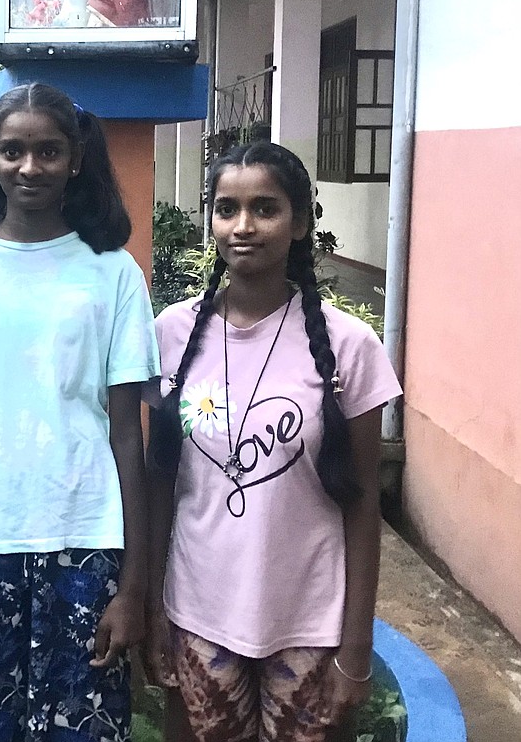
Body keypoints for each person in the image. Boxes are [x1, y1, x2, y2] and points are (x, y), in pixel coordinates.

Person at [0, 83, 159, 741]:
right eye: (13, 150)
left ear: (75, 159)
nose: (29, 167)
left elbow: (129, 434)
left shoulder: (112, 272)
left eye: (48, 150)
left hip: (85, 538)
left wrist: (133, 589)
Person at [144, 142, 402, 741]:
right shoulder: (171, 335)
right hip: (198, 616)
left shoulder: (349, 346)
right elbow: (162, 485)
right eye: (226, 208)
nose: (243, 226)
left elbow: (364, 507)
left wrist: (356, 645)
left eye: (265, 208)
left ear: (302, 221)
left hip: (310, 622)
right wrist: (155, 607)